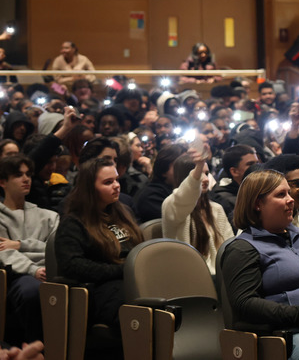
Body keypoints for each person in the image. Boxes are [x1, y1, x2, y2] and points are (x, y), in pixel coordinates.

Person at [220, 170, 299, 360]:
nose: (291, 200)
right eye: (281, 195)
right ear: (257, 204)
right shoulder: (243, 248)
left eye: (289, 193)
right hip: (290, 332)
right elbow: (244, 303)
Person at [54, 157, 144, 332]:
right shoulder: (74, 223)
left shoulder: (123, 213)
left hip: (132, 280)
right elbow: (72, 266)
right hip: (102, 291)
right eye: (108, 182)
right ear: (90, 188)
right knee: (143, 310)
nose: (117, 185)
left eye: (117, 180)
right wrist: (122, 270)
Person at [0, 155, 59, 345]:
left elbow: (56, 249)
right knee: (32, 290)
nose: (26, 179)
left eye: (28, 174)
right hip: (16, 276)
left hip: (51, 271)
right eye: (18, 175)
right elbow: (3, 253)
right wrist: (33, 270)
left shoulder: (49, 216)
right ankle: (37, 349)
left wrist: (20, 245)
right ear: (3, 182)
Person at [161, 147, 233, 273]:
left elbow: (230, 245)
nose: (205, 179)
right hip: (188, 276)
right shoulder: (171, 205)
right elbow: (185, 196)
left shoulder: (216, 208)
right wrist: (198, 167)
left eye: (206, 173)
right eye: (200, 174)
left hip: (221, 274)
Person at [133, 144, 187, 222]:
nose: (188, 171)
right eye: (181, 166)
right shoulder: (152, 196)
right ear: (163, 170)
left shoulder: (187, 189)